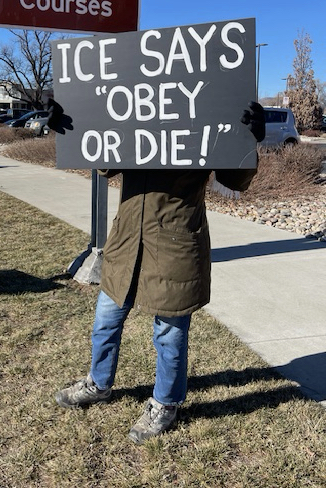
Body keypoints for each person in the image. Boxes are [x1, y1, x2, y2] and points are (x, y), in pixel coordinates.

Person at [54, 102, 265, 444]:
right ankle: (98, 383)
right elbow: (105, 164)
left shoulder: (204, 112)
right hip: (126, 243)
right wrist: (72, 126)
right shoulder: (136, 108)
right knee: (105, 321)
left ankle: (165, 402)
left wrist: (248, 139)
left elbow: (233, 178)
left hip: (174, 245)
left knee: (169, 334)